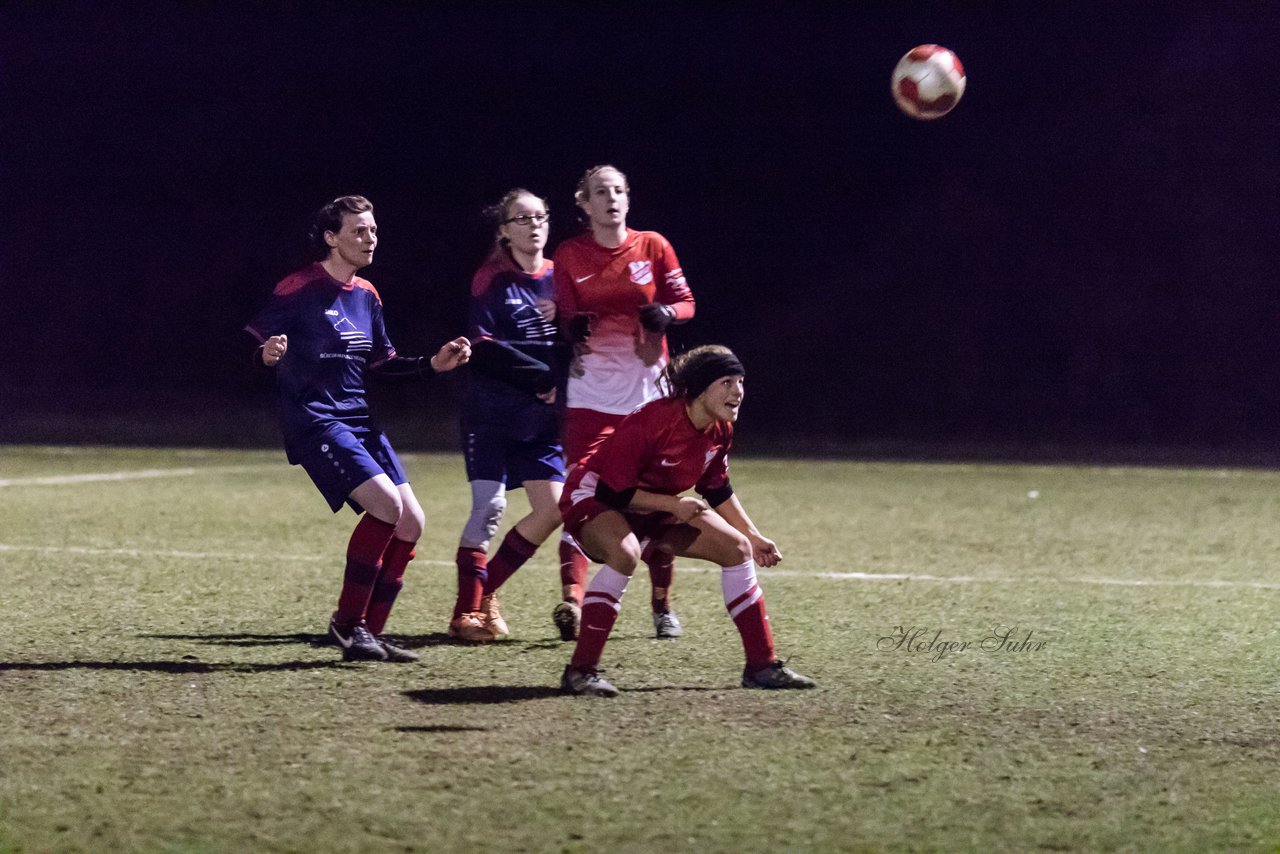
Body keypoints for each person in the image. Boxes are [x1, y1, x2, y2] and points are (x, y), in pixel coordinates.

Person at [245, 194, 471, 662]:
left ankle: (370, 632)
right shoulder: (299, 287)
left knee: (412, 522)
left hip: (359, 421)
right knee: (386, 507)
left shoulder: (367, 295)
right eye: (359, 231)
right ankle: (348, 626)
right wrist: (265, 355)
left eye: (373, 230)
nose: (370, 239)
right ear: (331, 238)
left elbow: (382, 365)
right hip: (316, 419)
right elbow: (255, 343)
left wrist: (432, 365)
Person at [558, 345, 816, 696]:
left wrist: (753, 536)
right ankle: (580, 671)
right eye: (726, 382)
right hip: (595, 497)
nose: (737, 392)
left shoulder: (719, 429)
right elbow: (613, 492)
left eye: (740, 381)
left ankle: (761, 666)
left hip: (655, 507)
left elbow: (717, 487)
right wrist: (672, 505)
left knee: (736, 549)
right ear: (698, 388)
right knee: (625, 553)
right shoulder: (652, 421)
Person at [551, 164, 695, 642]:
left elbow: (686, 301)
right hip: (590, 397)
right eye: (600, 191)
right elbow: (566, 313)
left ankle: (662, 606)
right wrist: (570, 328)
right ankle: (571, 599)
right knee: (583, 498)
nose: (610, 198)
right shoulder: (569, 254)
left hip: (649, 396)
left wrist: (667, 312)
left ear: (627, 199)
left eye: (618, 190)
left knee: (657, 502)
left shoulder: (653, 245)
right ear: (585, 204)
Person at [449, 188, 569, 642]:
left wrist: (570, 322)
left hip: (541, 418)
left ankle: (486, 594)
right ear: (504, 230)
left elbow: (583, 337)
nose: (534, 225)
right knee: (490, 506)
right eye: (522, 219)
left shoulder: (562, 279)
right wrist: (542, 377)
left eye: (540, 216)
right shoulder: (491, 279)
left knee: (554, 508)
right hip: (493, 413)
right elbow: (481, 344)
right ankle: (465, 613)